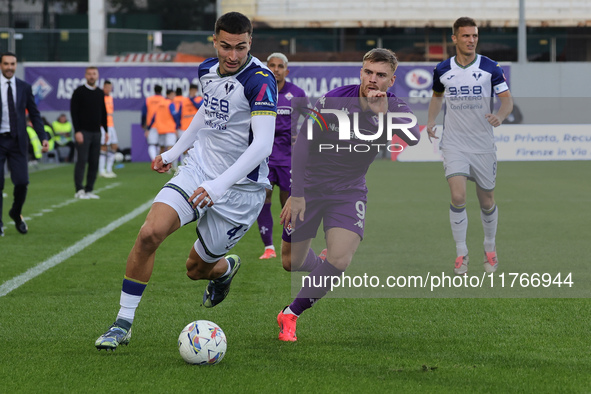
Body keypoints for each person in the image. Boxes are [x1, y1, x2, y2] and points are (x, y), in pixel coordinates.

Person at [95, 11, 277, 351]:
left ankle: (222, 271)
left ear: (250, 42)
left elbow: (262, 144)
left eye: (241, 47)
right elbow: (207, 110)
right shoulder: (207, 69)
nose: (233, 55)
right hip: (198, 171)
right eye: (226, 46)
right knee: (150, 234)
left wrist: (219, 186)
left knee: (196, 269)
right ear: (215, 41)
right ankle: (122, 323)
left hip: (239, 191)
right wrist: (175, 150)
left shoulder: (260, 81)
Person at [276, 48, 420, 342]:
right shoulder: (334, 100)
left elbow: (414, 137)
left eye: (381, 75)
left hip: (349, 190)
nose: (373, 80)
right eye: (368, 72)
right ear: (361, 72)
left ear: (391, 81)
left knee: (340, 259)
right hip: (311, 187)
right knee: (292, 262)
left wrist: (384, 119)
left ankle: (290, 314)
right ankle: (320, 268)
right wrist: (297, 193)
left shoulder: (395, 107)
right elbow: (303, 144)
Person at [426, 17, 513, 276]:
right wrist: (430, 121)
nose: (471, 40)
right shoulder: (443, 69)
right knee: (458, 196)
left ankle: (489, 247)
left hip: (483, 144)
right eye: (465, 36)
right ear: (455, 38)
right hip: (454, 143)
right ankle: (461, 252)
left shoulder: (490, 67)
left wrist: (501, 115)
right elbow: (437, 98)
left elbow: (506, 100)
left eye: (474, 36)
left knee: (486, 202)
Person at [257, 53, 310, 260]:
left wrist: (304, 138)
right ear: (266, 68)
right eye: (272, 65)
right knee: (263, 199)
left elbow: (312, 117)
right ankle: (268, 247)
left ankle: (288, 245)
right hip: (265, 158)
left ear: (286, 71)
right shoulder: (259, 92)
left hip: (289, 159)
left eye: (280, 66)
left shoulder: (296, 93)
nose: (276, 69)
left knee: (288, 203)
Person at [0, 52, 48, 236]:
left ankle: (15, 213)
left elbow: (34, 114)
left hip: (18, 141)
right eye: (6, 64)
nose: (10, 67)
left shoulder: (24, 87)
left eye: (12, 64)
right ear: (0, 65)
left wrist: (42, 136)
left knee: (22, 182)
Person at [70, 66, 108, 199]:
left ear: (97, 76)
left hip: (96, 132)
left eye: (94, 74)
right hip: (83, 132)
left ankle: (89, 189)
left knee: (94, 162)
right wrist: (77, 131)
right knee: (81, 161)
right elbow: (74, 113)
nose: (92, 76)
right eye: (89, 74)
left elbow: (103, 112)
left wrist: (106, 130)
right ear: (86, 76)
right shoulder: (79, 92)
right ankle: (79, 189)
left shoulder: (99, 92)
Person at [99, 80, 119, 178]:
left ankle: (109, 169)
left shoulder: (110, 98)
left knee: (114, 146)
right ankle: (102, 170)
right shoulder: (100, 97)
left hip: (111, 124)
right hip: (103, 125)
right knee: (104, 147)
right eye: (107, 87)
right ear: (104, 87)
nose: (109, 89)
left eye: (110, 87)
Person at [154, 89, 180, 159]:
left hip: (160, 128)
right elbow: (174, 115)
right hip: (169, 128)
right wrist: (177, 126)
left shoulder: (160, 103)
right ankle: (170, 166)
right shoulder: (170, 103)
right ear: (168, 95)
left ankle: (159, 165)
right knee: (170, 147)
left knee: (161, 147)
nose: (174, 96)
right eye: (173, 95)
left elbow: (155, 115)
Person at [141, 84, 163, 161]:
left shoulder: (149, 99)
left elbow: (144, 113)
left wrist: (142, 123)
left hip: (151, 125)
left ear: (154, 91)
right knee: (160, 144)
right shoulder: (164, 100)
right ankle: (158, 160)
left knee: (152, 144)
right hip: (162, 125)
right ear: (161, 91)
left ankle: (154, 160)